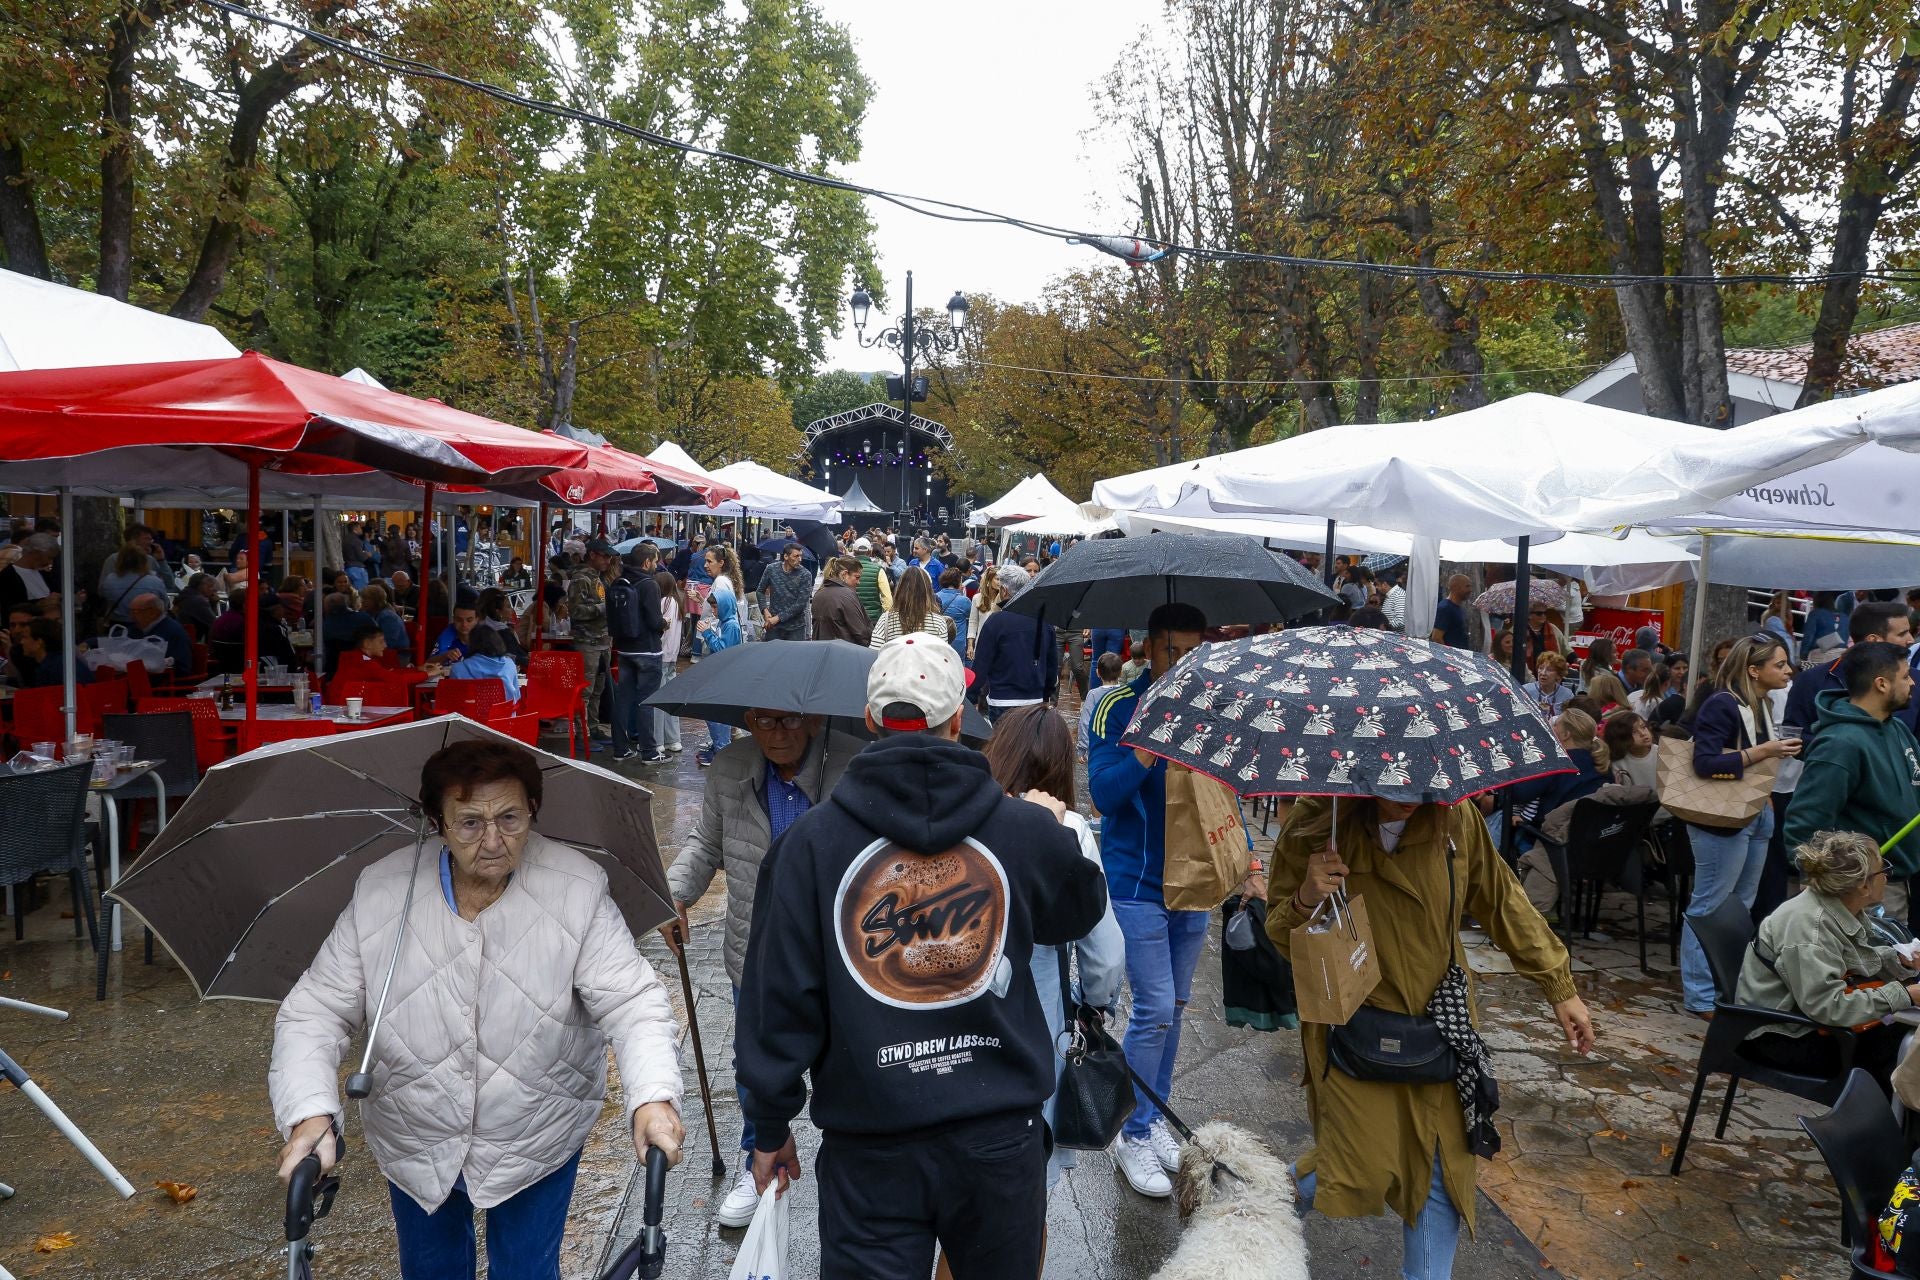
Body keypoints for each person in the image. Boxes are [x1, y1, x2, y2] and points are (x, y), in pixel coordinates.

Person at [734, 637, 1108, 1277]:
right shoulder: (1019, 831)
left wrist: (769, 1125)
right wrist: (1055, 829)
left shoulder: (810, 846)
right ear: (958, 721)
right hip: (999, 1139)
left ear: (873, 721)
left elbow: (777, 1002)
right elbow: (1081, 909)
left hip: (871, 1147)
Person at [269, 739, 686, 1280]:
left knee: (526, 1273)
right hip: (416, 1131)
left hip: (537, 1127)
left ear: (533, 810)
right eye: (469, 823)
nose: (493, 841)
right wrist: (311, 1114)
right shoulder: (381, 891)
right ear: (437, 822)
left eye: (510, 817)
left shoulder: (577, 887)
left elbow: (633, 1003)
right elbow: (315, 1011)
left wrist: (652, 1099)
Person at [1272, 796, 1590, 1280]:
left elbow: (1501, 898)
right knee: (1359, 1163)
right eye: (1393, 787)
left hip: (1442, 1024)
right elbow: (1278, 932)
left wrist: (1558, 984)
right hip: (1355, 1025)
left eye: (1421, 787)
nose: (1409, 798)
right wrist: (1306, 898)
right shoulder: (1319, 819)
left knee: (1443, 1170)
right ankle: (1258, 1208)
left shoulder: (1455, 819)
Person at [661, 708, 859, 1226]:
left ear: (815, 720)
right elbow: (705, 843)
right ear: (748, 719)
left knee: (851, 1067)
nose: (777, 734)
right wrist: (675, 892)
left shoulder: (854, 766)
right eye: (764, 722)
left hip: (837, 952)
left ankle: (853, 1169)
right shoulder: (731, 767)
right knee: (755, 1070)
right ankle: (759, 1161)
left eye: (790, 721)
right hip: (757, 949)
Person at [1085, 601, 1208, 1197]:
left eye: (1192, 651)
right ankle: (1132, 1134)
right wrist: (1146, 749)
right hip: (1136, 881)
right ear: (1148, 647)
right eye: (1171, 651)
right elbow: (1103, 795)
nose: (1181, 663)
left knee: (1176, 1008)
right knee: (1155, 1006)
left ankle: (1155, 1115)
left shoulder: (1210, 707)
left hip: (1197, 882)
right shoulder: (1116, 706)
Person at [981, 704, 1125, 1190]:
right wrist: (1096, 1006)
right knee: (1026, 1206)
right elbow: (1104, 956)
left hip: (961, 1042)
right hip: (1039, 1038)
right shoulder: (1070, 833)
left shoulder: (967, 818)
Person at [1677, 633, 1803, 1014]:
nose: (1787, 670)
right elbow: (1705, 763)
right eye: (1779, 664)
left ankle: (1723, 985)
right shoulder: (1722, 704)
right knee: (1709, 906)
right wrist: (1764, 751)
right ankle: (1699, 995)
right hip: (1722, 819)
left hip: (1756, 814)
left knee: (1738, 907)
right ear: (1754, 669)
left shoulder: (1760, 704)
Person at [1736, 829, 1918, 1089]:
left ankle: (1888, 1121)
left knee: (1905, 1042)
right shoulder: (1811, 927)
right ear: (1863, 885)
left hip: (1803, 1021)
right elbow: (1827, 1007)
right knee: (1904, 1055)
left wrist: (1896, 960)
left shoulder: (1835, 905)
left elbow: (1841, 960)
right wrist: (1906, 994)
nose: (1887, 876)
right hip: (1782, 1037)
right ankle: (1879, 1125)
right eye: (1883, 870)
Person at [1785, 642, 1920, 922]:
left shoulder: (1896, 728)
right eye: (1906, 676)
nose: (1913, 682)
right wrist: (1827, 886)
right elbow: (1804, 824)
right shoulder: (1840, 744)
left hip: (1896, 884)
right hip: (1862, 894)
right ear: (1882, 684)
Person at [1784, 601, 1915, 749]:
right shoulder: (1812, 680)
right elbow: (1792, 735)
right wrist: (1842, 752)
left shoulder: (1915, 681)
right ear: (1873, 640)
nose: (1910, 640)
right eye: (1902, 634)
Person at [967, 565, 1058, 723]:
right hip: (1034, 701)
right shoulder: (1044, 622)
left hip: (1002, 700)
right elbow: (1051, 665)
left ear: (1004, 590)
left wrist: (971, 697)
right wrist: (1047, 694)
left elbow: (981, 664)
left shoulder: (995, 622)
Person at [609, 545, 666, 764]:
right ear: (647, 562)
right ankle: (650, 752)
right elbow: (654, 621)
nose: (657, 564)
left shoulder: (621, 581)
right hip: (648, 650)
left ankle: (620, 749)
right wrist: (664, 623)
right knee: (646, 701)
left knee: (623, 700)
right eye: (655, 560)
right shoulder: (649, 585)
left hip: (624, 648)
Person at [568, 539, 616, 746]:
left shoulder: (598, 578)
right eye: (605, 556)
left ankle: (593, 728)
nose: (608, 560)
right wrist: (602, 608)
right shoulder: (581, 579)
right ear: (593, 555)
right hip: (587, 641)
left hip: (602, 641)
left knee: (598, 689)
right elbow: (576, 611)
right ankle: (582, 733)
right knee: (586, 691)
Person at [694, 587, 744, 768]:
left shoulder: (730, 624)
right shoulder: (726, 622)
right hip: (724, 674)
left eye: (716, 607)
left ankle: (721, 747)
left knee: (715, 713)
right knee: (715, 712)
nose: (713, 611)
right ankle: (719, 745)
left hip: (726, 676)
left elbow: (724, 651)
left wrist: (707, 632)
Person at [869, 560, 954, 649]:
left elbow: (874, 651)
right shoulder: (938, 622)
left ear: (899, 589)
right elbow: (943, 657)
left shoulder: (886, 619)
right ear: (928, 591)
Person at [99, 541, 168, 627]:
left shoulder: (110, 580)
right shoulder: (155, 581)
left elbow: (104, 597)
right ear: (144, 560)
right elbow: (165, 605)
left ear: (120, 560)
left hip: (117, 626)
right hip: (146, 627)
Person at [756, 541, 813, 642]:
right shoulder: (771, 569)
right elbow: (760, 591)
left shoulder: (805, 575)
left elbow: (800, 604)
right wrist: (764, 610)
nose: (799, 559)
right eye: (796, 556)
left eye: (801, 556)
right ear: (786, 556)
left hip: (795, 628)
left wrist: (777, 618)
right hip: (774, 627)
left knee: (793, 657)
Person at [810, 555, 871, 647]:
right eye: (857, 577)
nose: (858, 582)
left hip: (822, 649)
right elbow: (860, 631)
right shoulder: (847, 595)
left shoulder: (819, 593)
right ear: (844, 574)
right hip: (845, 651)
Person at [127, 591, 192, 677]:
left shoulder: (173, 632)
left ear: (152, 613)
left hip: (158, 682)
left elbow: (182, 668)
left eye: (136, 612)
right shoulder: (136, 628)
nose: (131, 616)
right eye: (131, 612)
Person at [16, 617, 94, 688]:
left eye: (25, 637)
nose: (21, 642)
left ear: (39, 642)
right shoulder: (66, 662)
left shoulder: (48, 670)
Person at [0, 532, 57, 617]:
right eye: (49, 557)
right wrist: (40, 604)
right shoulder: (7, 576)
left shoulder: (44, 574)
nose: (50, 562)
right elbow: (9, 608)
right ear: (36, 552)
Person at [1605, 711, 1660, 792]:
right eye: (1634, 732)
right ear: (1621, 739)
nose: (1642, 733)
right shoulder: (1618, 764)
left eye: (1643, 727)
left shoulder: (1661, 752)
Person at [360, 582, 411, 658]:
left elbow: (388, 643)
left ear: (376, 600)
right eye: (362, 598)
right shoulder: (372, 613)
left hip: (395, 656)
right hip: (377, 652)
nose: (362, 601)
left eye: (366, 599)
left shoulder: (388, 617)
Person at [1521, 651, 1574, 716]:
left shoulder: (1567, 695)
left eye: (1549, 670)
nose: (1543, 673)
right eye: (1541, 668)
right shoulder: (1525, 690)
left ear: (1558, 675)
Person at [935, 567, 972, 659]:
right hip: (957, 644)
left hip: (938, 641)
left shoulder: (934, 597)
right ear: (959, 582)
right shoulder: (964, 601)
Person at [967, 565, 1002, 663]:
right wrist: (970, 645)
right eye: (997, 579)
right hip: (981, 644)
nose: (1000, 582)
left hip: (999, 644)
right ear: (989, 580)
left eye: (1002, 579)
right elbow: (973, 622)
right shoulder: (977, 598)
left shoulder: (1005, 600)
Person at [173, 571, 220, 642]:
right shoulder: (198, 601)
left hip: (179, 637)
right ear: (201, 586)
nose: (213, 589)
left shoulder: (185, 594)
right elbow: (214, 625)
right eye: (210, 586)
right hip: (188, 642)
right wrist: (214, 604)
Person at [1431, 574, 1472, 649]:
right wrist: (1450, 656)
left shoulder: (1456, 607)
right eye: (1467, 586)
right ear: (1456, 587)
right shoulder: (1445, 608)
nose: (1470, 590)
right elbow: (1436, 637)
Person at [1802, 591, 1845, 659]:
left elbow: (1808, 639)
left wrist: (1802, 657)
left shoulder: (1815, 615)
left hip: (1820, 657)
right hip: (1840, 657)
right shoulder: (1843, 617)